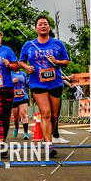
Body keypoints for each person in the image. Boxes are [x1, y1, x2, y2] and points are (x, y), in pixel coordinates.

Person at [19, 15, 69, 158]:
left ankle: (49, 137)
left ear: (49, 27)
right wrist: (26, 68)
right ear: (35, 28)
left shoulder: (58, 44)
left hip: (55, 83)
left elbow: (66, 62)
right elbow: (21, 61)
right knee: (45, 113)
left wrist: (57, 61)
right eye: (40, 24)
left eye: (45, 24)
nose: (43, 26)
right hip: (37, 82)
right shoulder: (29, 45)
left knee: (54, 116)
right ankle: (48, 145)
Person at [11, 69, 29, 139]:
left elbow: (26, 83)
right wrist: (12, 82)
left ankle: (26, 133)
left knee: (24, 114)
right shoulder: (9, 73)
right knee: (16, 118)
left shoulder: (23, 73)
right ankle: (16, 127)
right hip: (14, 98)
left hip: (23, 96)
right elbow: (5, 84)